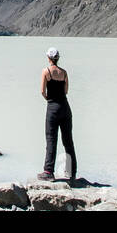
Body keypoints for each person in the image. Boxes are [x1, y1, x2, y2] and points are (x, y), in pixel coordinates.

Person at [38, 47, 76, 182]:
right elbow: (66, 91)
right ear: (58, 58)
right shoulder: (64, 73)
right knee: (68, 141)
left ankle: (48, 171)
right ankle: (72, 173)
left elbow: (42, 91)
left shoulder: (46, 72)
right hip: (65, 108)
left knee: (51, 139)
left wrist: (50, 99)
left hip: (52, 108)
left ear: (49, 58)